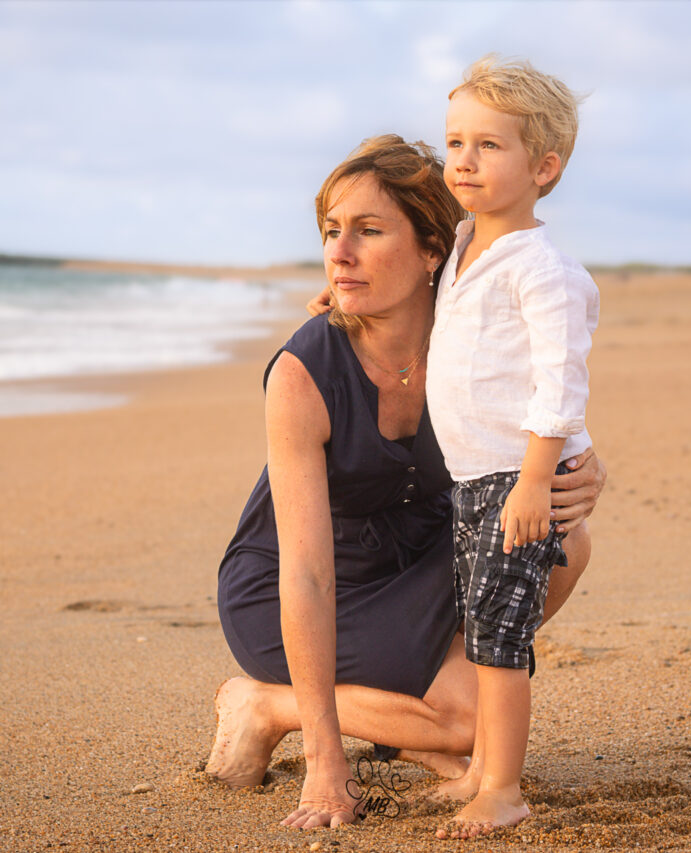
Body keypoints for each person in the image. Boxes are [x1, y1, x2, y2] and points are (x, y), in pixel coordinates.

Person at [206, 134, 607, 831]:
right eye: (332, 232)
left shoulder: (473, 323)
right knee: (467, 721)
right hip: (301, 586)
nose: (339, 252)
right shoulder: (303, 375)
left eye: (367, 231)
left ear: (434, 252)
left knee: (565, 544)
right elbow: (306, 575)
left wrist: (583, 462)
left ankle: (414, 716)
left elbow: (549, 395)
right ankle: (269, 702)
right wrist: (327, 765)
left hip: (418, 556)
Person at [425, 56, 598, 840]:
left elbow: (559, 382)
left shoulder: (542, 270)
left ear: (544, 166)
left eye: (488, 145)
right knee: (486, 624)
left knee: (497, 638)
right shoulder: (462, 246)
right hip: (473, 477)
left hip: (514, 477)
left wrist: (536, 478)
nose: (463, 159)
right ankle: (479, 766)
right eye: (456, 140)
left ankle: (503, 787)